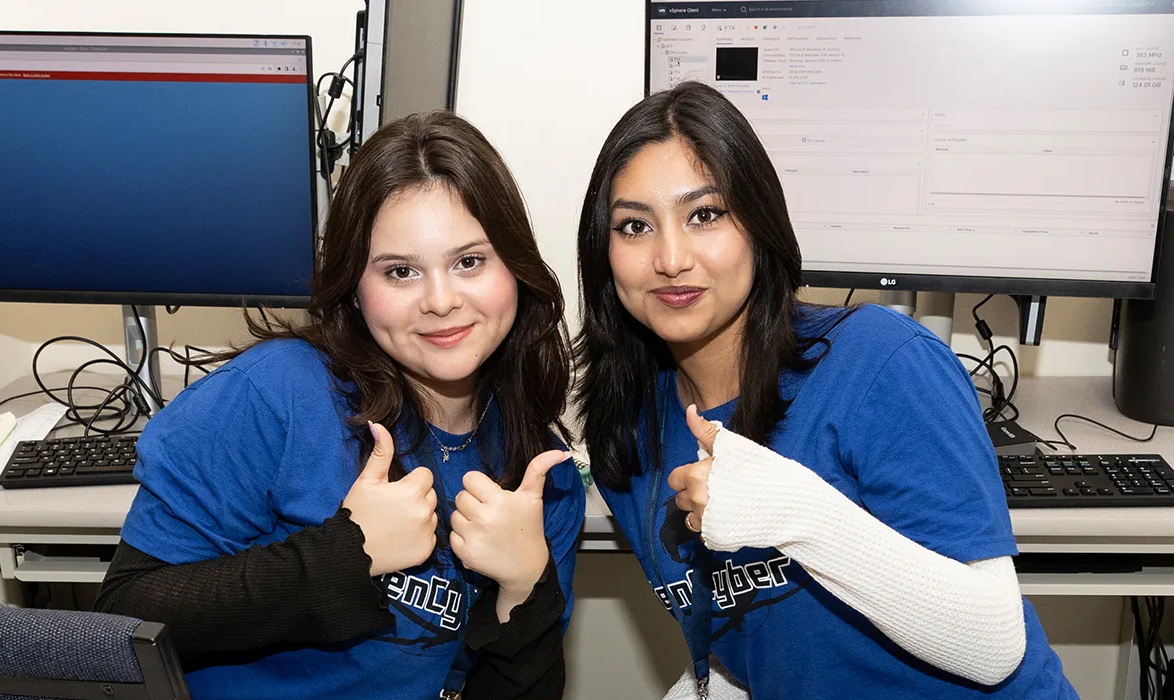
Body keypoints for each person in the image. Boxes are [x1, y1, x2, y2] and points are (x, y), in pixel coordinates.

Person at [574, 81, 1077, 699]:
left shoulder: (881, 361)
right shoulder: (631, 432)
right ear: (605, 252)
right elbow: (751, 649)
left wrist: (793, 512)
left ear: (758, 224)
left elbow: (993, 645)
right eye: (634, 226)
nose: (671, 257)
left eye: (704, 214)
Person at [95, 111, 585, 700]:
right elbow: (123, 617)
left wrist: (527, 592)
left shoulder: (539, 473)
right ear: (355, 288)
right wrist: (344, 557)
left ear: (517, 268)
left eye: (469, 262)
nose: (440, 300)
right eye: (400, 271)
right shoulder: (278, 394)